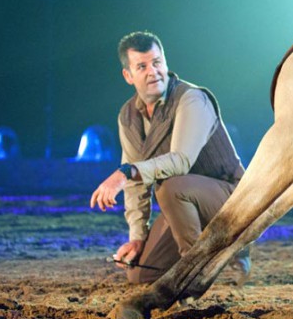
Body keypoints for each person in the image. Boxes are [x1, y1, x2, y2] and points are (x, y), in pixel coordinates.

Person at [90, 31, 249, 285]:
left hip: (231, 199)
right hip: (182, 205)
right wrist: (137, 237)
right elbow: (135, 186)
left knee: (170, 187)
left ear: (165, 63)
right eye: (142, 67)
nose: (153, 72)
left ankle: (199, 267)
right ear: (128, 76)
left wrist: (125, 172)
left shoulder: (191, 99)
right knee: (140, 273)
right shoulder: (128, 116)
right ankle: (198, 258)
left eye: (157, 62)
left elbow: (181, 161)